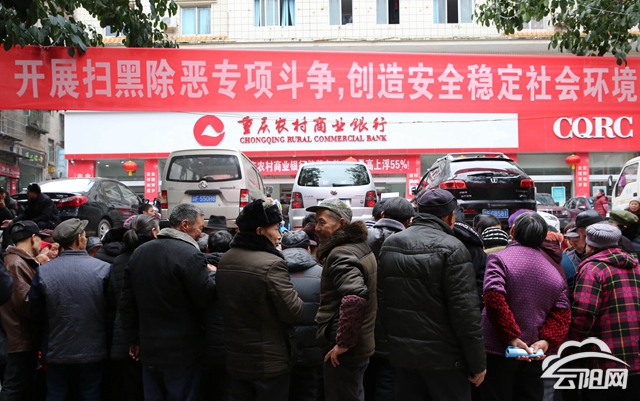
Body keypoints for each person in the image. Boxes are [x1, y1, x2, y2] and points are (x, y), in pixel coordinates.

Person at [378, 189, 486, 401]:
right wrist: (477, 363)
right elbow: (465, 312)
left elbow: (383, 302)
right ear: (451, 216)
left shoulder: (391, 244)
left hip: (404, 357)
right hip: (446, 360)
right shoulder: (453, 247)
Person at [119, 203, 215, 401]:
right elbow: (204, 297)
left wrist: (133, 340)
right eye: (200, 227)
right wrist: (213, 276)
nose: (201, 233)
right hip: (182, 351)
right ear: (185, 225)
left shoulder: (140, 253)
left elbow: (127, 303)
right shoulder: (190, 255)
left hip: (149, 347)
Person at [217, 199, 303, 401]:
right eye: (275, 228)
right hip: (269, 361)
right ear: (259, 231)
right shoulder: (272, 264)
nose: (279, 234)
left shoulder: (226, 259)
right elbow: (293, 312)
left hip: (236, 357)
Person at [481, 212, 571, 401]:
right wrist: (546, 341)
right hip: (534, 352)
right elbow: (562, 312)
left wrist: (511, 336)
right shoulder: (553, 271)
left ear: (512, 231)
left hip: (497, 351)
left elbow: (493, 297)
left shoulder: (498, 259)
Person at [28, 218, 111, 400]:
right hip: (93, 348)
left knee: (56, 393)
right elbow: (110, 309)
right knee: (90, 393)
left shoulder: (44, 272)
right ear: (78, 239)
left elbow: (35, 311)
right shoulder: (103, 269)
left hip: (56, 349)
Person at [306, 198, 377, 401]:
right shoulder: (359, 246)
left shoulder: (341, 254)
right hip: (359, 343)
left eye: (322, 222)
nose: (317, 228)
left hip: (344, 350)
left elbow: (355, 298)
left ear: (342, 223)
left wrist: (343, 343)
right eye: (316, 222)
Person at [570, 223, 640, 400]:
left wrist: (573, 345)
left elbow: (584, 313)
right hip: (635, 360)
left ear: (590, 244)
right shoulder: (636, 267)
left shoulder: (592, 269)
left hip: (603, 362)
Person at [364, 196, 414, 401]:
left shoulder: (362, 239)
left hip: (364, 322)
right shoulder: (411, 242)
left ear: (382, 215)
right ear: (409, 220)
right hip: (397, 325)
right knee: (388, 379)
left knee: (365, 379)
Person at [108, 215, 159, 401]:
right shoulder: (154, 258)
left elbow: (113, 300)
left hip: (124, 336)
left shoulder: (119, 260)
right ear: (153, 232)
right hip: (150, 336)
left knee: (132, 390)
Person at [0, 221, 48, 401]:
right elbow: (26, 303)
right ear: (33, 238)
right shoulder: (15, 264)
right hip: (18, 340)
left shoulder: (16, 261)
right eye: (40, 238)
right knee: (15, 388)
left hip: (17, 339)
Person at [280, 230, 323, 401]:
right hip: (313, 349)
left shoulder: (271, 272)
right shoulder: (322, 273)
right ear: (308, 248)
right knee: (309, 391)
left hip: (281, 349)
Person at [202, 230, 234, 401]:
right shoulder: (238, 270)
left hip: (204, 343)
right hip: (233, 344)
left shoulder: (197, 270)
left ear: (207, 248)